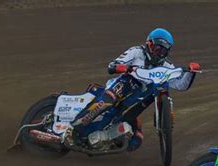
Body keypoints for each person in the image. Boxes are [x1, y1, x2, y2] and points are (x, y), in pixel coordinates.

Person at [64, 28, 200, 151]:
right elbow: (113, 65)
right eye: (157, 48)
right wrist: (122, 67)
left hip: (140, 96)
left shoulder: (167, 66)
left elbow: (181, 85)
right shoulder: (136, 52)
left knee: (136, 140)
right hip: (125, 83)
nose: (159, 53)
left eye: (163, 50)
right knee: (108, 99)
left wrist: (191, 72)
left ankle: (104, 140)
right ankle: (71, 129)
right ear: (149, 44)